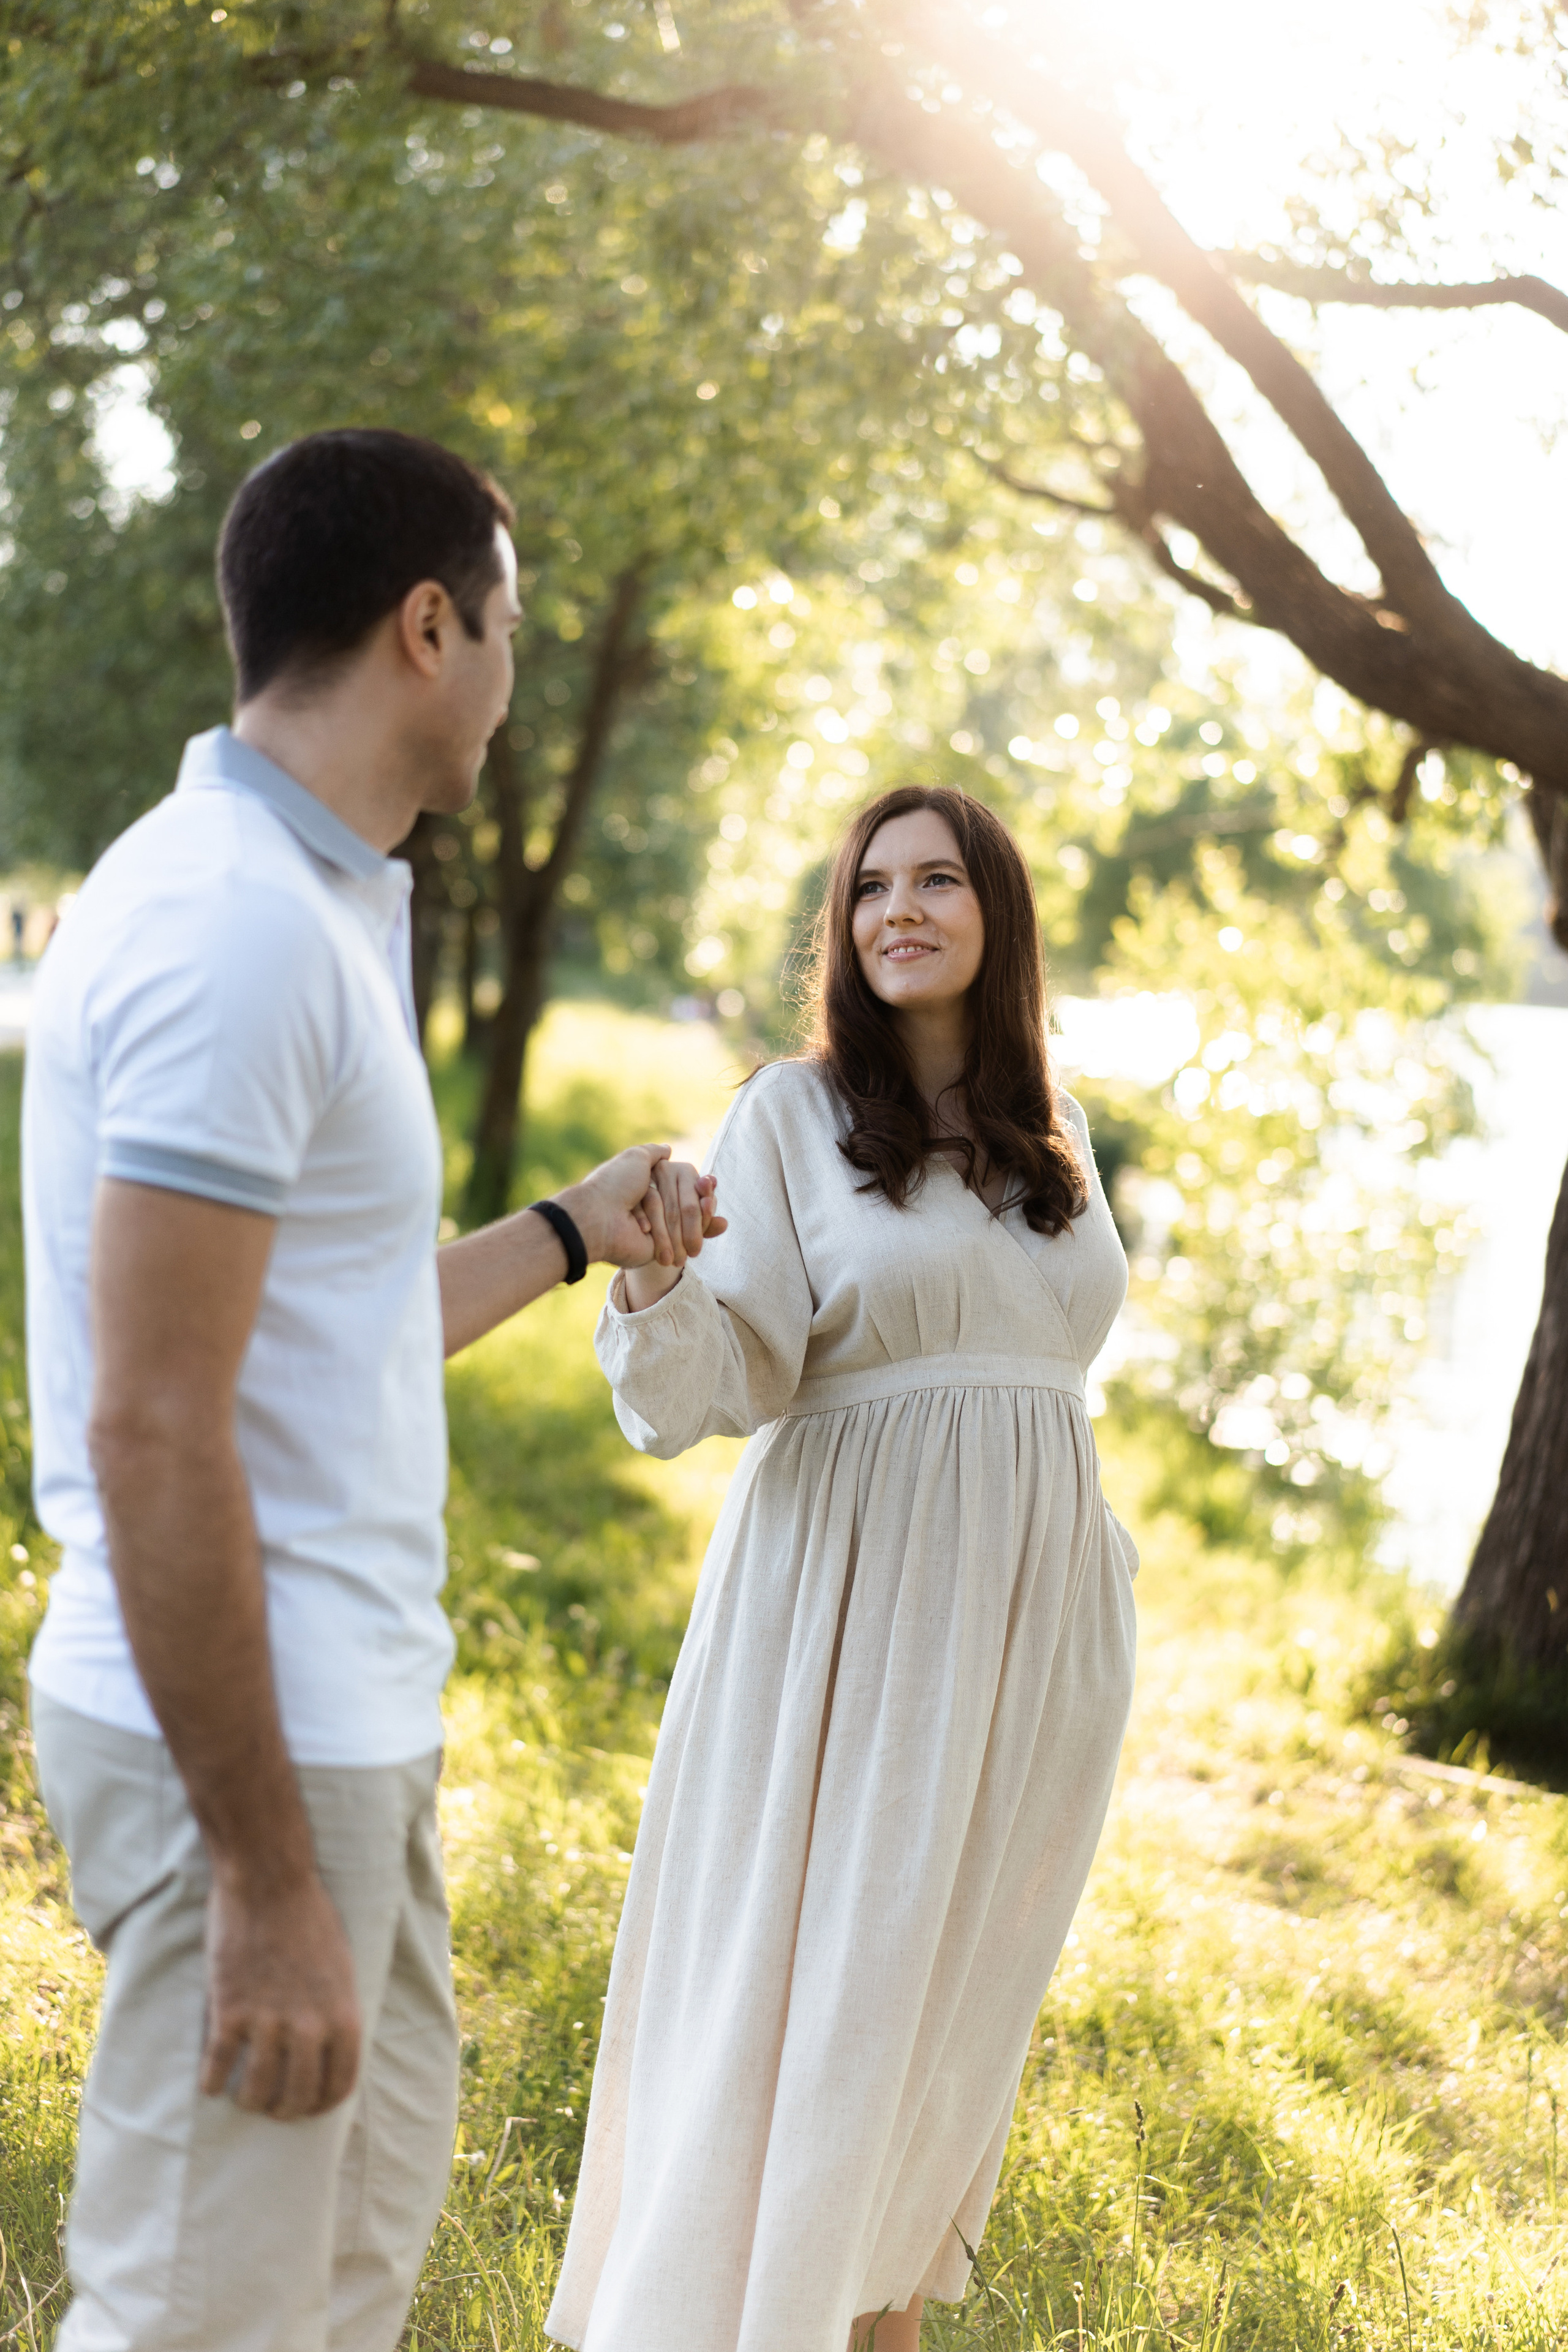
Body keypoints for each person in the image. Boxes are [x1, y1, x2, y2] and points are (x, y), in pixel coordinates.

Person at [21, 427, 719, 2352]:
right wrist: (260, 1880)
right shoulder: (233, 922)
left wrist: (572, 1233)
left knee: (332, 2290)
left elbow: (317, 1328)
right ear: (431, 627)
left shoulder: (312, 906)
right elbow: (154, 1427)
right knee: (198, 2316)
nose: (517, 678)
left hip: (343, 1729)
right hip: (244, 1757)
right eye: (510, 629)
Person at [548, 785, 1139, 2352]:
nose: (899, 911)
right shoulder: (789, 1115)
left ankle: (878, 2323)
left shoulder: (1051, 1128)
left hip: (1030, 1631)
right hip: (856, 1621)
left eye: (937, 881)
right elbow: (717, 1385)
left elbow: (1051, 1360)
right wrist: (656, 1282)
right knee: (828, 1999)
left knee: (946, 2018)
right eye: (870, 887)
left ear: (993, 913)